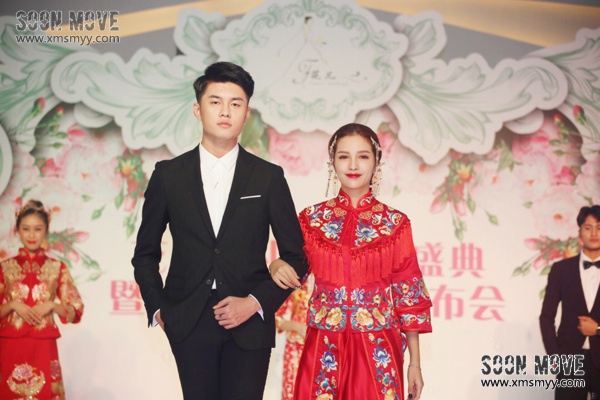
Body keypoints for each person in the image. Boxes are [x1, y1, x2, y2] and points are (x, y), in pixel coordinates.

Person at [131, 61, 307, 400]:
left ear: (247, 113)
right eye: (215, 102)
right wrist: (159, 309)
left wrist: (256, 302)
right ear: (198, 109)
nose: (225, 111)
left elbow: (297, 257)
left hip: (249, 319)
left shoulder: (268, 177)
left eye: (235, 103)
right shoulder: (169, 175)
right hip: (188, 318)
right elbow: (145, 254)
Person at [270, 123, 433, 400]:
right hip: (323, 343)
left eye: (363, 156)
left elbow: (409, 295)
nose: (353, 165)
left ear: (376, 162)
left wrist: (414, 364)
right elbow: (295, 270)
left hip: (377, 345)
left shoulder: (395, 224)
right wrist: (276, 265)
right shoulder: (311, 220)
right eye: (344, 156)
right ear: (332, 162)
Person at [0, 199, 84, 400]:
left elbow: (75, 310)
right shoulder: (4, 268)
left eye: (37, 229)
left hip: (44, 347)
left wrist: (52, 305)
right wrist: (12, 305)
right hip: (10, 344)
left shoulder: (57, 268)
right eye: (26, 229)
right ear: (17, 231)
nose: (31, 235)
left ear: (46, 231)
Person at [540, 205, 600, 399]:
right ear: (580, 232)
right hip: (570, 362)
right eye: (588, 227)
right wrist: (555, 357)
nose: (594, 233)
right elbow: (546, 317)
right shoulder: (561, 270)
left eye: (599, 228)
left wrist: (597, 330)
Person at [275, 274, 313, 400]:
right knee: (293, 392)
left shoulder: (331, 281)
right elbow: (276, 317)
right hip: (295, 349)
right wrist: (296, 326)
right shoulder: (296, 281)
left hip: (322, 348)